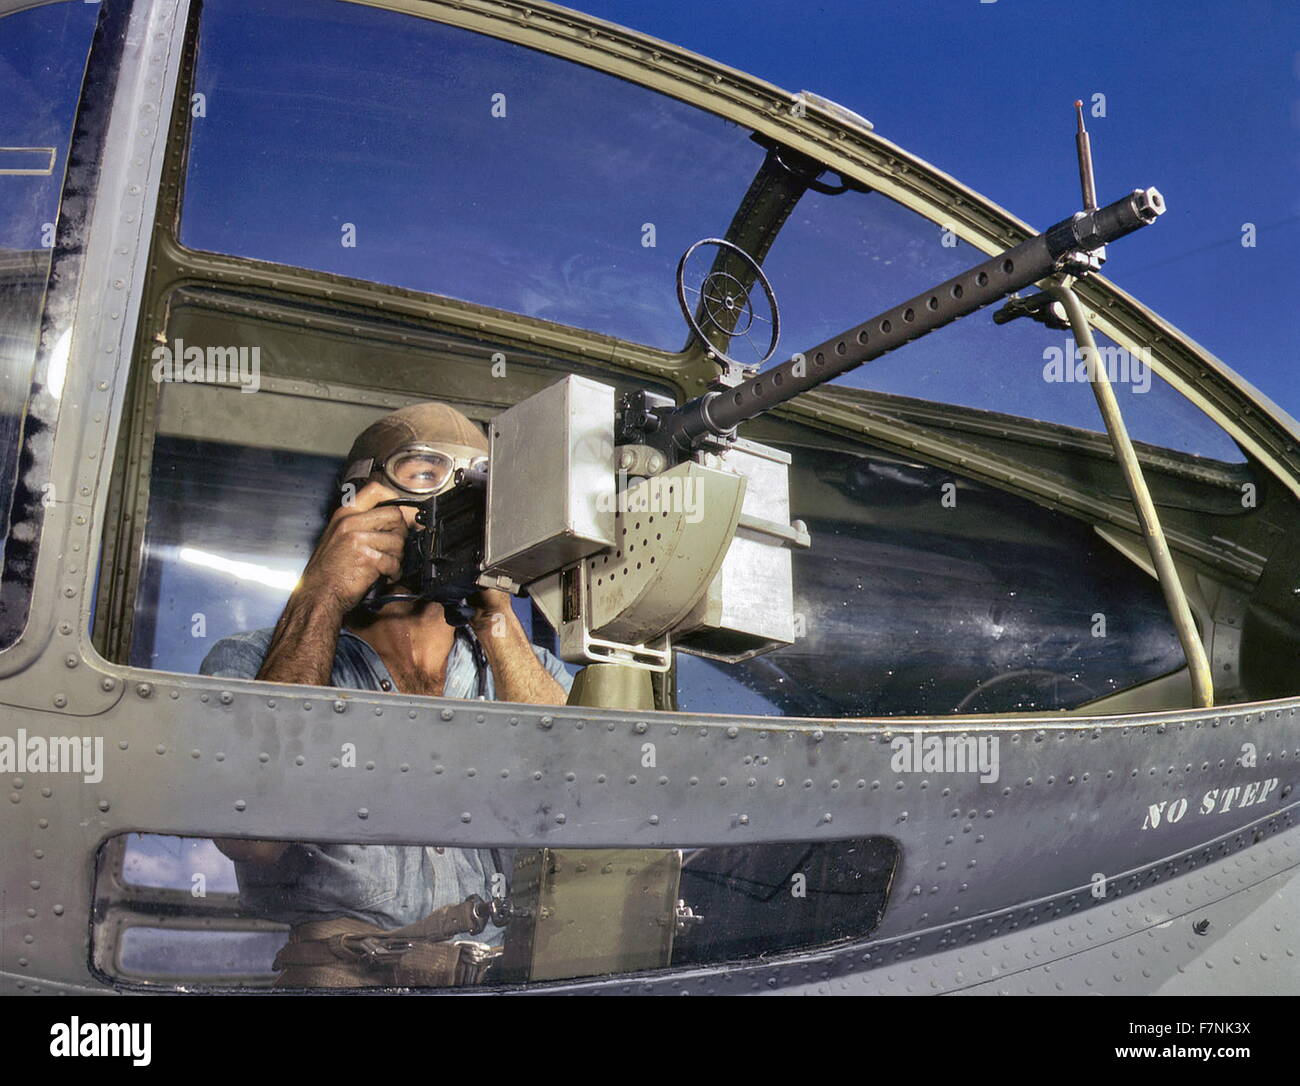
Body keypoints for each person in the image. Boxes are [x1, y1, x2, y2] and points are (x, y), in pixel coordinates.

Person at [199, 402, 572, 987]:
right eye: (424, 475)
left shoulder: (527, 669)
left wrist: (495, 609)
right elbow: (252, 836)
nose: (449, 508)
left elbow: (584, 814)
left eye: (477, 489)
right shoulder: (250, 664)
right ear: (356, 502)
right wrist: (319, 595)